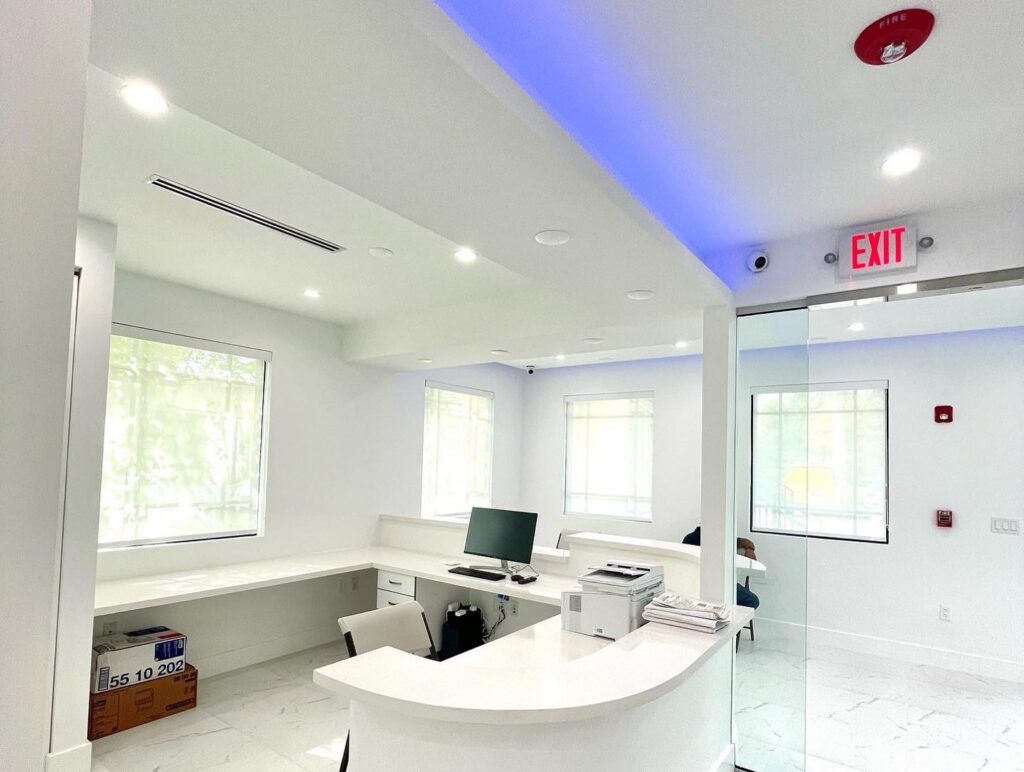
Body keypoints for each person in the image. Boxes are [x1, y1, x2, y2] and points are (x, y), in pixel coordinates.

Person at [681, 526, 760, 609]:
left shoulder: (720, 538)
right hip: (707, 585)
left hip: (718, 583)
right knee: (752, 601)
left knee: (752, 601)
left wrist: (749, 549)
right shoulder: (692, 540)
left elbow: (747, 542)